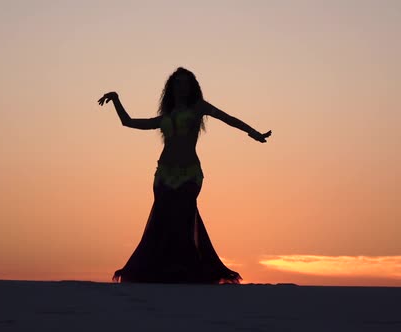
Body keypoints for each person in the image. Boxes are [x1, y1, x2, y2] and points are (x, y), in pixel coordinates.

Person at [98, 67, 271, 284]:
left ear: (191, 87)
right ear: (171, 88)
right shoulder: (165, 117)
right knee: (161, 220)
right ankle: (162, 272)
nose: (181, 87)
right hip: (164, 174)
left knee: (185, 217)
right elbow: (129, 122)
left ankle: (189, 271)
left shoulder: (199, 108)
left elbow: (229, 119)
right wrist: (116, 100)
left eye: (185, 83)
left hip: (190, 173)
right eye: (177, 83)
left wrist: (253, 132)